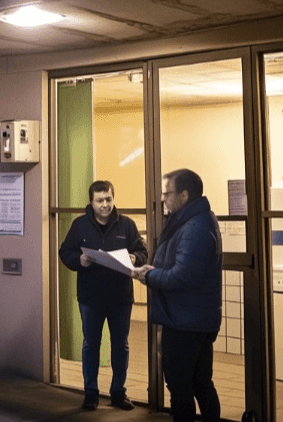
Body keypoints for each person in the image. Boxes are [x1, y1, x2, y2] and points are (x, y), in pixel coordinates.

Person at [132, 168, 222, 422]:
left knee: (182, 386)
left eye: (167, 194)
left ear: (183, 195)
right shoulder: (195, 220)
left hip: (186, 320)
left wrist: (148, 276)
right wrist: (154, 269)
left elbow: (182, 276)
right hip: (193, 317)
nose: (163, 199)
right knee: (201, 382)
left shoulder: (194, 227)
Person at [59, 180, 147, 411]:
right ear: (91, 202)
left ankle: (118, 392)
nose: (105, 205)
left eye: (108, 199)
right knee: (91, 345)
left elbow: (142, 250)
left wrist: (135, 258)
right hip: (91, 299)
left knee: (121, 345)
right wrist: (79, 260)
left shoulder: (126, 225)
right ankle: (91, 392)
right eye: (100, 201)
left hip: (121, 298)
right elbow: (65, 251)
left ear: (113, 198)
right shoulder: (80, 225)